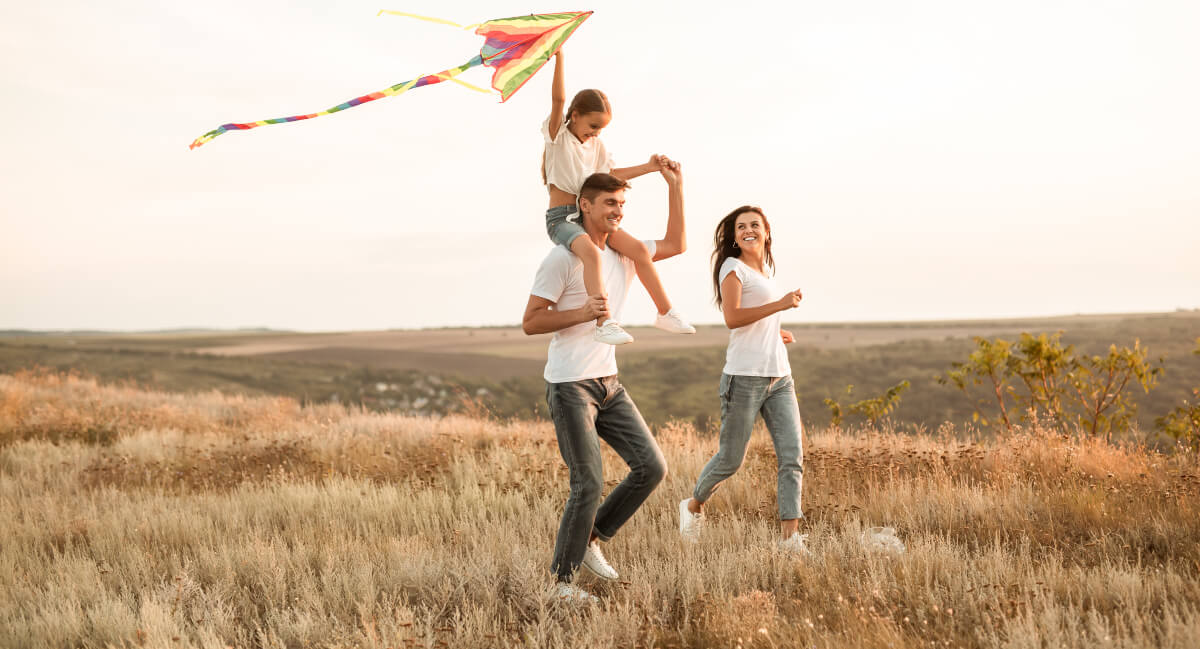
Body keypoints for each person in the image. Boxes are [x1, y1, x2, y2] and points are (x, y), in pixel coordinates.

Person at [522, 163, 686, 601]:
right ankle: (561, 583)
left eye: (622, 204)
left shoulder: (627, 254)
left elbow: (675, 244)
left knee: (652, 467)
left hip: (609, 383)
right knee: (588, 482)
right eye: (610, 203)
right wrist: (585, 312)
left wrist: (675, 186)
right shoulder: (562, 257)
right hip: (570, 385)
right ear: (584, 205)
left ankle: (591, 539)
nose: (618, 211)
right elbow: (531, 321)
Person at [678, 206, 809, 554]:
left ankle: (790, 540)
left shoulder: (765, 272)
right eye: (741, 226)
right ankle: (692, 505)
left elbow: (758, 318)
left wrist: (776, 332)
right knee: (731, 459)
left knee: (792, 456)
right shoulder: (731, 268)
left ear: (766, 231)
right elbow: (733, 318)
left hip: (780, 376)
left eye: (755, 224)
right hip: (744, 378)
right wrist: (779, 306)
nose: (749, 230)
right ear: (734, 236)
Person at [542, 49, 694, 345]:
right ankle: (603, 321)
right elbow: (558, 99)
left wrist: (650, 168)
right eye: (593, 126)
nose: (596, 133)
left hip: (591, 217)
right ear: (575, 116)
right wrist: (559, 56)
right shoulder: (558, 136)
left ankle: (665, 312)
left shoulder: (596, 147)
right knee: (589, 252)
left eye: (601, 129)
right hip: (563, 219)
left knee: (637, 249)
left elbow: (611, 179)